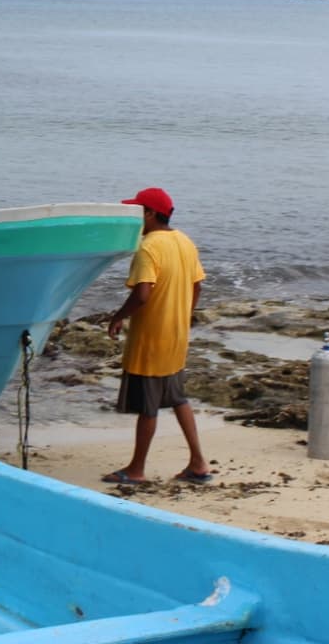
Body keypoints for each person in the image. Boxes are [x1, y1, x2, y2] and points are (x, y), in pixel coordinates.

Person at [103, 187, 211, 485]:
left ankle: (136, 470)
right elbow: (197, 285)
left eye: (139, 211)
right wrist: (182, 315)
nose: (136, 218)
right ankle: (198, 463)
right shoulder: (184, 241)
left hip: (151, 339)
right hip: (177, 336)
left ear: (150, 214)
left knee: (149, 407)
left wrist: (118, 316)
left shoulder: (148, 247)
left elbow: (142, 294)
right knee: (178, 397)